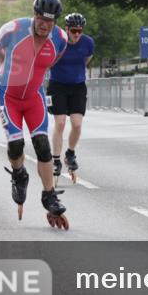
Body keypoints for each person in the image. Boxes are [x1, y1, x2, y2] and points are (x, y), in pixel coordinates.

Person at [0, 0, 70, 229]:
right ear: (34, 15)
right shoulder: (13, 28)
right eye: (40, 18)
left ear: (55, 22)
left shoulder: (60, 39)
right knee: (16, 145)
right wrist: (8, 64)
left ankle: (49, 195)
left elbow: (54, 59)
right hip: (8, 95)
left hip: (34, 96)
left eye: (50, 21)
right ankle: (19, 174)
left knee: (43, 145)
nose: (44, 24)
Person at [48, 13, 95, 182]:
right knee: (59, 123)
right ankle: (55, 160)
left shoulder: (88, 43)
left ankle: (70, 153)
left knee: (76, 124)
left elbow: (86, 60)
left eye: (79, 31)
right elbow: (48, 61)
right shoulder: (57, 41)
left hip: (77, 86)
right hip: (57, 86)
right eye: (73, 30)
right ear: (66, 29)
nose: (77, 34)